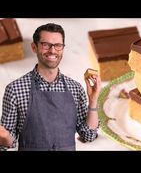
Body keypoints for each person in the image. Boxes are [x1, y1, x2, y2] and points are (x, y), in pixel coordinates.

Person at [0, 23, 101, 151]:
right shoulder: (15, 90)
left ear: (63, 48)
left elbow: (88, 135)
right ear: (34, 47)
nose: (52, 50)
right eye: (45, 45)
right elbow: (7, 142)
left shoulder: (76, 89)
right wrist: (3, 136)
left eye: (58, 45)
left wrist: (93, 101)